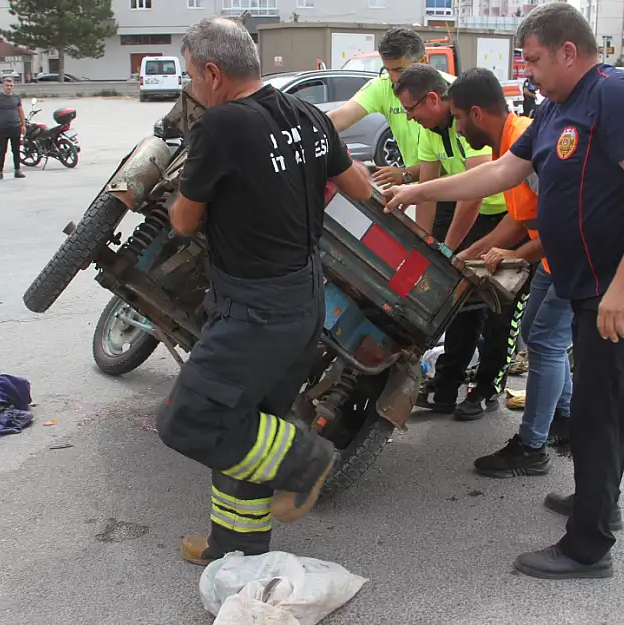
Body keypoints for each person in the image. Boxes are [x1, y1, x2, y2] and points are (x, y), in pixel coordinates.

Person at [383, 3, 624, 579]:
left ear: (569, 51)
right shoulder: (554, 109)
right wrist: (416, 192)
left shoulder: (616, 97)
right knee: (607, 404)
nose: (530, 72)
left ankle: (587, 546)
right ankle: (601, 500)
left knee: (600, 409)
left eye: (537, 59)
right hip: (590, 283)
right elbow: (499, 175)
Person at [156, 17, 372, 566]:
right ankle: (236, 548)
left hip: (254, 309)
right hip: (304, 300)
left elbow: (183, 221)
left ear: (212, 72)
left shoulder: (221, 125)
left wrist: (188, 187)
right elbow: (358, 187)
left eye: (190, 77)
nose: (190, 89)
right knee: (251, 424)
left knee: (190, 418)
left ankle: (306, 462)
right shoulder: (308, 115)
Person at [442, 67, 574, 478]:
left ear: (477, 113)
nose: (458, 129)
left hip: (572, 257)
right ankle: (566, 419)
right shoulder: (512, 142)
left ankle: (532, 447)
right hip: (555, 259)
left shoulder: (525, 143)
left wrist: (513, 253)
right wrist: (469, 253)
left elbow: (558, 230)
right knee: (537, 334)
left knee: (546, 343)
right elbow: (518, 220)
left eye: (459, 118)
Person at [392, 64, 527, 420]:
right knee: (462, 305)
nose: (410, 118)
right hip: (486, 220)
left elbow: (475, 192)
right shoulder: (429, 130)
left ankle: (487, 387)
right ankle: (447, 383)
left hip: (505, 216)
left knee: (499, 308)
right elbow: (428, 194)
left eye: (411, 110)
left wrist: (449, 251)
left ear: (433, 99)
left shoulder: (474, 124)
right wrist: (427, 244)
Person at [328, 27, 455, 191]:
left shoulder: (452, 90)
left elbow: (457, 161)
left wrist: (406, 175)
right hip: (424, 188)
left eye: (400, 70)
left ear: (423, 61)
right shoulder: (383, 86)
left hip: (457, 189)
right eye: (388, 70)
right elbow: (338, 118)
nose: (394, 79)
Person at [0, 77, 25, 180]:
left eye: (11, 85)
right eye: (7, 85)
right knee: (2, 151)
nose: (9, 87)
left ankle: (17, 170)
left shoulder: (16, 97)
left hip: (15, 127)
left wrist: (23, 125)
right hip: (2, 128)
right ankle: (0, 171)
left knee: (16, 150)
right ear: (3, 86)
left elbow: (21, 111)